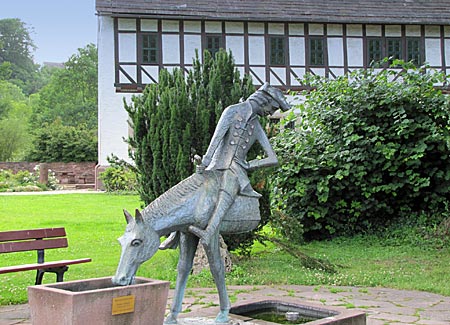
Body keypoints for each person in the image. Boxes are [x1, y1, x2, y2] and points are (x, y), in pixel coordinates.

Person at [188, 83, 291, 245]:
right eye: (273, 108)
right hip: (216, 165)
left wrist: (249, 165)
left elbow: (273, 158)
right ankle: (175, 232)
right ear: (264, 100)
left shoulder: (256, 125)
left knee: (230, 182)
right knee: (189, 190)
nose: (271, 113)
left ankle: (210, 231)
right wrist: (205, 163)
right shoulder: (232, 111)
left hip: (236, 171)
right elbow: (216, 139)